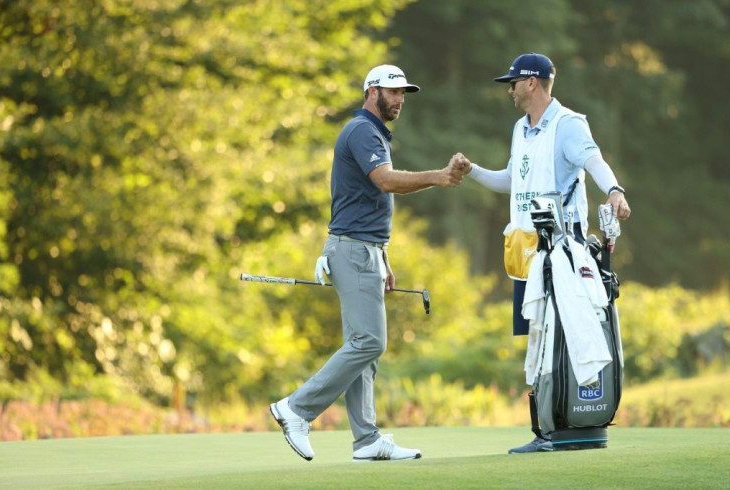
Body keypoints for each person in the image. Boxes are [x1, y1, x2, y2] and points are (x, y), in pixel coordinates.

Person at [270, 64, 468, 462]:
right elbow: (385, 181)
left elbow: (370, 202)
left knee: (363, 347)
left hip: (366, 251)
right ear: (371, 91)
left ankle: (366, 439)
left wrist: (384, 257)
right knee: (369, 341)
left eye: (403, 94)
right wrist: (440, 177)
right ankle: (297, 409)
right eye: (393, 92)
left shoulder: (373, 133)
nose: (399, 100)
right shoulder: (362, 131)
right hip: (353, 251)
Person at [460, 53, 631, 453]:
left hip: (562, 252)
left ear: (532, 83)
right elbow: (511, 182)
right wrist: (472, 171)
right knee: (538, 337)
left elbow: (593, 161)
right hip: (527, 254)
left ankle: (561, 427)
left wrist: (615, 190)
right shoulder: (521, 129)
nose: (510, 89)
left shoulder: (568, 124)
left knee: (558, 335)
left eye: (514, 83)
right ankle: (549, 427)